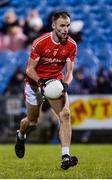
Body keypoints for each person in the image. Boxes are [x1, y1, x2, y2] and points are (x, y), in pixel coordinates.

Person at [15, 11, 78, 170]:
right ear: (53, 25)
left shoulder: (71, 45)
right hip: (35, 84)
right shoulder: (40, 42)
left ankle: (65, 156)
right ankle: (21, 135)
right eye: (62, 25)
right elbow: (29, 69)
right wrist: (41, 83)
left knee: (65, 114)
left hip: (55, 83)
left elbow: (69, 72)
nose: (65, 29)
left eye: (68, 25)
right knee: (32, 121)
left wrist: (66, 84)